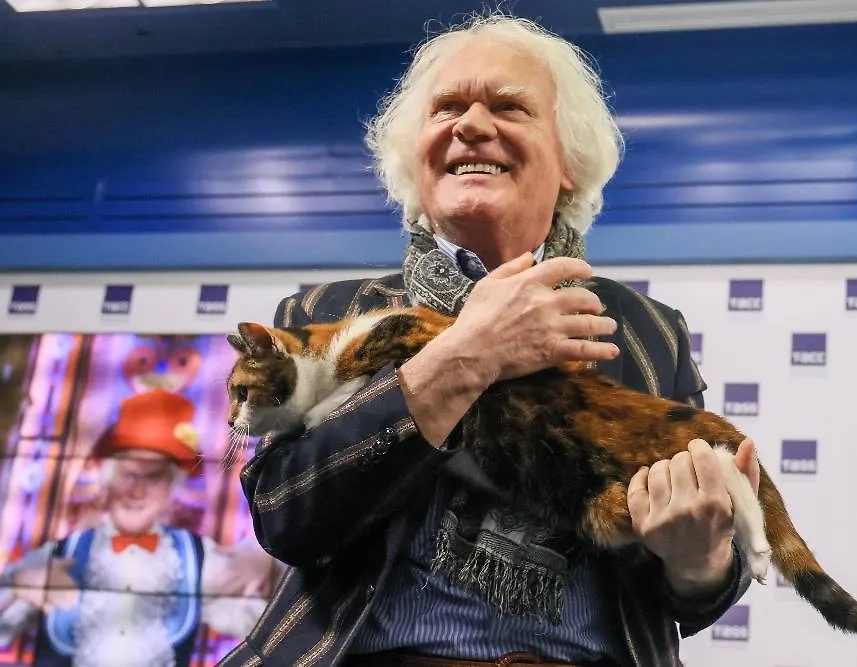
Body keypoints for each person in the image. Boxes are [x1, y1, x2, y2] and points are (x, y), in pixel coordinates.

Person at [220, 12, 760, 667]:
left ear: (568, 164)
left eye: (509, 107)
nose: (471, 125)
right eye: (447, 107)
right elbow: (284, 516)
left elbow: (696, 596)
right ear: (416, 160)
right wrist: (463, 356)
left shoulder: (651, 333)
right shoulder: (325, 315)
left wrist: (699, 559)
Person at [0, 389, 278, 667]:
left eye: (153, 477)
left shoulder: (197, 558)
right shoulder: (61, 554)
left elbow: (266, 626)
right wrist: (18, 585)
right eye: (128, 475)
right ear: (108, 479)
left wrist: (269, 562)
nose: (137, 491)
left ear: (171, 488)